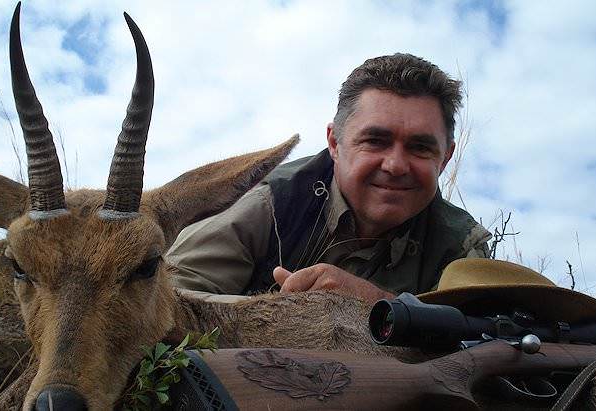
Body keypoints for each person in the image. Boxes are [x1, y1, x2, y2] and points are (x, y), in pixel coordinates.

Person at [166, 53, 492, 304]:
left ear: (445, 158)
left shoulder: (461, 245)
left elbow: (485, 346)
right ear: (334, 143)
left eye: (420, 147)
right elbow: (163, 299)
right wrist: (282, 318)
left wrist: (376, 307)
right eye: (375, 141)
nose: (395, 165)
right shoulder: (275, 202)